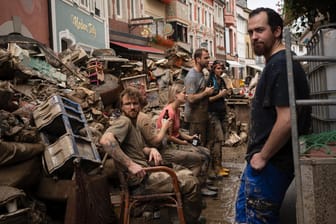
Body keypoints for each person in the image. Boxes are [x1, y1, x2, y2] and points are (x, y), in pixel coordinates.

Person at [235, 8, 311, 223]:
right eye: (250, 32)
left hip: (271, 165)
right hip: (265, 164)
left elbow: (287, 119)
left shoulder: (281, 64)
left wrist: (263, 157)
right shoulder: (277, 63)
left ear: (277, 31)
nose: (254, 37)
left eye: (260, 30)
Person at [99, 87, 202, 224]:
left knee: (185, 173)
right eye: (128, 104)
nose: (132, 107)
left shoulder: (133, 123)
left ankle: (178, 217)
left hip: (144, 176)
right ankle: (188, 221)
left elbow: (138, 147)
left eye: (135, 103)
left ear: (140, 105)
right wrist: (130, 164)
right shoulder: (124, 122)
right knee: (191, 183)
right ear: (122, 107)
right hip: (140, 183)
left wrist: (150, 150)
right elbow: (106, 141)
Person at [155, 82, 215, 195]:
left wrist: (190, 137)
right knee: (200, 157)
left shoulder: (177, 110)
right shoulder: (169, 112)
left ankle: (201, 183)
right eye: (184, 93)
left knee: (206, 152)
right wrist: (183, 143)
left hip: (177, 143)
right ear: (176, 95)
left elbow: (177, 132)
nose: (186, 95)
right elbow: (168, 137)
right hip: (169, 147)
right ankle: (192, 187)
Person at [184, 48, 214, 146]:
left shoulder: (201, 73)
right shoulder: (192, 76)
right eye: (205, 58)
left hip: (201, 116)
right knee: (196, 145)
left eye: (208, 57)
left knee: (203, 143)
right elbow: (190, 98)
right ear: (197, 59)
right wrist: (205, 93)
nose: (208, 60)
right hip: (194, 119)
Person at [206, 60, 230, 177]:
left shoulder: (222, 80)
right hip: (213, 113)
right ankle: (216, 167)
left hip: (222, 113)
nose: (220, 71)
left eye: (221, 69)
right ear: (213, 69)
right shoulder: (210, 81)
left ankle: (220, 165)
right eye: (218, 68)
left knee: (221, 140)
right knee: (217, 140)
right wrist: (219, 95)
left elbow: (225, 93)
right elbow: (207, 100)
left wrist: (226, 93)